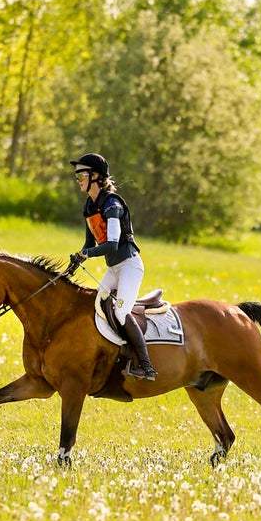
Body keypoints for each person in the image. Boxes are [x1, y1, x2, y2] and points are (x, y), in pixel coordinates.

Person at [68, 153, 157, 381]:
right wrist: (78, 259)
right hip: (114, 268)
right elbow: (89, 244)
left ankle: (146, 366)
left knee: (121, 311)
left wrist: (86, 253)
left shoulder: (112, 204)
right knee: (95, 303)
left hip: (129, 266)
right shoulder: (90, 206)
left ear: (95, 177)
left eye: (81, 175)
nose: (77, 179)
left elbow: (112, 243)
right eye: (77, 175)